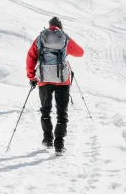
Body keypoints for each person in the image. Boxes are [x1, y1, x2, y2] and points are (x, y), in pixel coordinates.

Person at [26, 16, 84, 154]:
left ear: (49, 25)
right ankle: (59, 144)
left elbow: (31, 56)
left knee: (45, 109)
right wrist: (64, 50)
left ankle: (47, 139)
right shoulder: (64, 37)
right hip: (62, 80)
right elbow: (80, 52)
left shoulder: (41, 37)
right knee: (62, 112)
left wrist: (31, 76)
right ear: (60, 27)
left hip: (44, 79)